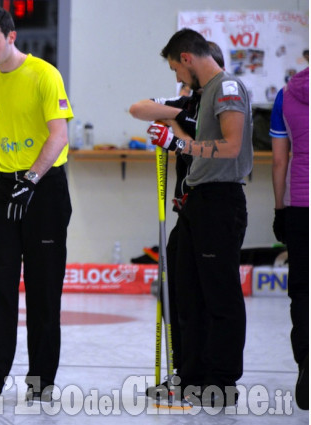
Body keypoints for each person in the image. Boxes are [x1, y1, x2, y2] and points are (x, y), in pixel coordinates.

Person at [0, 6, 73, 404]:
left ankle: (41, 382)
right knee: (1, 283)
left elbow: (58, 135)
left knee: (43, 289)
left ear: (11, 37)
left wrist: (32, 179)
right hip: (8, 186)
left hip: (44, 189)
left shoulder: (44, 74)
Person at [147, 28, 253, 408]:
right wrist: (173, 135)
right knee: (185, 292)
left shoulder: (227, 89)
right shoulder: (205, 94)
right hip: (195, 201)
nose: (177, 77)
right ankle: (189, 375)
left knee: (219, 296)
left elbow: (232, 145)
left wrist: (179, 143)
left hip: (219, 201)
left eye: (177, 68)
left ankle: (221, 381)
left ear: (188, 59)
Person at [129, 41, 225, 396]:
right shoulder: (184, 105)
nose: (181, 88)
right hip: (185, 210)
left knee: (209, 296)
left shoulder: (213, 107)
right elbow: (138, 108)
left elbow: (202, 148)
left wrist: (175, 134)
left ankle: (211, 376)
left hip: (211, 202)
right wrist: (172, 110)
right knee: (178, 291)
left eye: (184, 81)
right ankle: (184, 369)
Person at [269, 67, 309, 410]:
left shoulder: (287, 93)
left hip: (300, 206)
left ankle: (306, 365)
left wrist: (280, 210)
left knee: (302, 291)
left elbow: (279, 160)